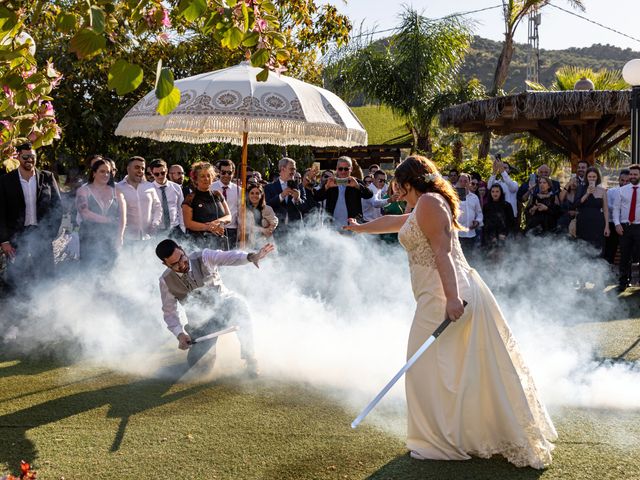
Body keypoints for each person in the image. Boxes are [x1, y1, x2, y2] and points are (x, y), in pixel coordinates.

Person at [344, 155, 556, 469]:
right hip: (435, 294)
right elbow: (396, 223)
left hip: (446, 295)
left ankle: (437, 441)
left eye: (398, 185)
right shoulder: (422, 205)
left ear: (408, 182)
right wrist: (361, 228)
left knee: (424, 367)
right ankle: (450, 435)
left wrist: (452, 299)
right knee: (449, 369)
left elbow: (442, 254)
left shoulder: (429, 203)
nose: (395, 191)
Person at [155, 239, 274, 375]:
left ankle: (250, 358)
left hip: (225, 307)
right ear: (165, 264)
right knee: (199, 370)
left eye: (182, 257)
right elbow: (169, 312)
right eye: (175, 264)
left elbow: (230, 257)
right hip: (201, 325)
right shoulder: (165, 281)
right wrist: (180, 335)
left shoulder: (204, 257)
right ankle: (201, 358)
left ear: (182, 249)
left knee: (239, 306)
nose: (182, 264)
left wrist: (251, 257)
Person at [0, 142, 63, 288]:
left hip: (41, 233)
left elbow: (57, 206)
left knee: (45, 275)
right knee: (15, 277)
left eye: (32, 156)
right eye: (26, 156)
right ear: (18, 157)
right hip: (16, 236)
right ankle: (16, 308)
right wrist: (4, 241)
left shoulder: (47, 177)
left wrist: (51, 233)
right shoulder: (5, 180)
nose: (30, 159)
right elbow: (1, 212)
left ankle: (45, 306)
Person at [75, 159, 125, 269]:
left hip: (111, 236)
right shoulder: (83, 190)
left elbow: (123, 216)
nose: (106, 174)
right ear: (94, 173)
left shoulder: (117, 191)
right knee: (89, 270)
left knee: (110, 270)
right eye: (102, 171)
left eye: (108, 172)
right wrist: (108, 220)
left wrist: (120, 236)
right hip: (89, 236)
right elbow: (85, 213)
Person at [183, 162, 231, 250]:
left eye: (209, 175)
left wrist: (215, 223)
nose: (206, 179)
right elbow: (188, 223)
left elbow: (228, 216)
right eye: (202, 176)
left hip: (219, 243)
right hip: (197, 244)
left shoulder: (217, 194)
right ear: (195, 179)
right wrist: (208, 227)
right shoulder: (190, 198)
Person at [314, 156, 373, 228]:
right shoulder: (330, 181)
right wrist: (326, 187)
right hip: (332, 225)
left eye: (346, 169)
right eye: (340, 169)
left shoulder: (355, 181)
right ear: (336, 169)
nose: (343, 171)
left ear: (351, 169)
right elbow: (317, 197)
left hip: (352, 224)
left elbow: (369, 195)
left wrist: (358, 186)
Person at [116, 156, 162, 243]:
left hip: (148, 237)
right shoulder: (118, 187)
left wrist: (155, 223)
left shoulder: (150, 186)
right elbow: (115, 211)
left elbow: (158, 207)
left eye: (142, 168)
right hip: (127, 238)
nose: (140, 171)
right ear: (128, 169)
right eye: (137, 167)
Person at [264, 157, 307, 241]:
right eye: (291, 169)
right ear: (282, 169)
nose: (294, 172)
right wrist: (281, 196)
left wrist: (297, 199)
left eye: (294, 169)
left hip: (295, 231)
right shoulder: (269, 187)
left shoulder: (299, 187)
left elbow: (305, 207)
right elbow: (267, 205)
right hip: (277, 231)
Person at [612, 164, 640, 292]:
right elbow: (616, 209)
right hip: (625, 227)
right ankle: (623, 282)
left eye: (635, 174)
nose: (633, 176)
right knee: (624, 256)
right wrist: (617, 224)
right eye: (631, 174)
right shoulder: (622, 190)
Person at [576, 167, 609, 250]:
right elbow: (576, 204)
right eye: (589, 177)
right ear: (586, 177)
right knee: (583, 247)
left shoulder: (602, 191)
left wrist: (607, 226)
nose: (592, 179)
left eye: (594, 177)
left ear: (597, 177)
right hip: (583, 221)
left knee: (598, 247)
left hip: (598, 223)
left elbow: (605, 210)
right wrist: (587, 193)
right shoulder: (581, 188)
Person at [150, 159, 185, 238]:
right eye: (156, 174)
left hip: (175, 229)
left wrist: (183, 228)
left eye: (163, 173)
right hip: (157, 231)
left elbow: (181, 209)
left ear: (166, 171)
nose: (160, 176)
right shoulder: (148, 190)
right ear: (152, 173)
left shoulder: (176, 187)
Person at [211, 160, 242, 249]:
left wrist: (241, 231)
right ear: (219, 172)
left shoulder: (239, 190)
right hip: (215, 229)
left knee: (230, 259)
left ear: (233, 173)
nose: (226, 175)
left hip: (232, 229)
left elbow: (241, 212)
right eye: (223, 172)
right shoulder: (211, 187)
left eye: (229, 172)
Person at [604, 169, 629, 264]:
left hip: (627, 224)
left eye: (627, 181)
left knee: (626, 251)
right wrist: (619, 207)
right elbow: (608, 207)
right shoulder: (611, 191)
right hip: (612, 224)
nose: (624, 183)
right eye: (622, 180)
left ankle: (625, 274)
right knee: (610, 250)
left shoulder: (634, 192)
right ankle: (607, 273)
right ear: (619, 180)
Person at [245, 183, 278, 249]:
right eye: (252, 193)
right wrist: (262, 230)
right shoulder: (244, 210)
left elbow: (274, 221)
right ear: (248, 195)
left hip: (265, 243)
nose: (254, 195)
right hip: (248, 244)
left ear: (261, 195)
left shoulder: (267, 209)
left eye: (257, 193)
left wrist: (269, 229)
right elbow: (245, 227)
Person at [482, 184, 514, 250]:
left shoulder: (507, 205)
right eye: (493, 191)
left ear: (501, 193)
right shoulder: (486, 206)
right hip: (490, 238)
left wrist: (504, 234)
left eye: (497, 191)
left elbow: (511, 222)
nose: (495, 193)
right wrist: (492, 236)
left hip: (504, 237)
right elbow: (485, 222)